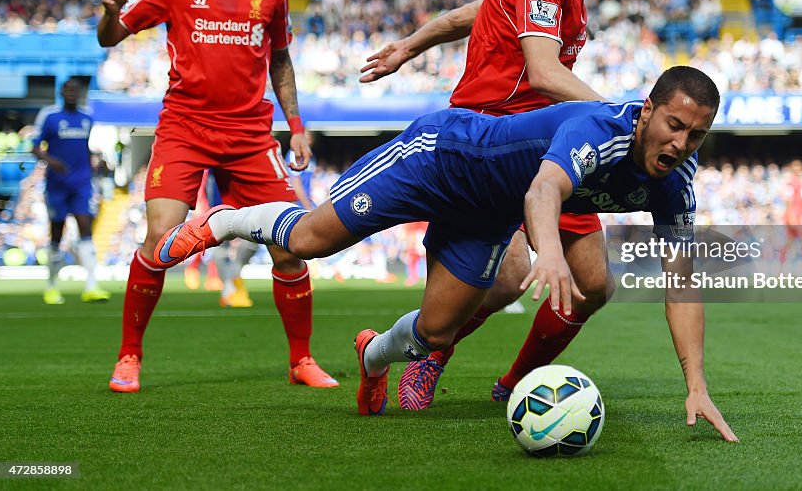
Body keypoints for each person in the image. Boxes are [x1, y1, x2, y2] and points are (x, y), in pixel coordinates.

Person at [155, 66, 737, 441]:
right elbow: (543, 190)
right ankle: (224, 220)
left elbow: (682, 281)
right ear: (646, 114)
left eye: (696, 135)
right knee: (311, 241)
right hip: (439, 158)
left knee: (434, 333)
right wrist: (552, 253)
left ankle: (373, 360)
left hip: (486, 213)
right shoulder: (599, 129)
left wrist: (696, 384)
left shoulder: (675, 182)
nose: (680, 143)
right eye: (673, 125)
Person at [360, 0, 631, 410]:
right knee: (505, 283)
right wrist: (617, 116)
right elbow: (545, 71)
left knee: (594, 284)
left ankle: (515, 386)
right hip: (488, 137)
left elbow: (472, 13)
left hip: (543, 140)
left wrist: (409, 47)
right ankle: (428, 355)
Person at [97, 0, 338, 393]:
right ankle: (129, 356)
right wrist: (109, 10)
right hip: (184, 129)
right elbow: (111, 37)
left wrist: (296, 127)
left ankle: (302, 360)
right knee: (160, 236)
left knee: (291, 246)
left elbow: (281, 59)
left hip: (251, 136)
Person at [32, 77, 111, 305]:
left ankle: (91, 286)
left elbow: (87, 148)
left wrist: (96, 163)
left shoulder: (87, 118)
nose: (72, 94)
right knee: (57, 231)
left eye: (76, 91)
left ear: (80, 93)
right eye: (68, 90)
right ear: (61, 92)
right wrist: (51, 160)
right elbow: (35, 147)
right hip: (57, 183)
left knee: (85, 227)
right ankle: (52, 287)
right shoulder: (50, 116)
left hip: (82, 183)